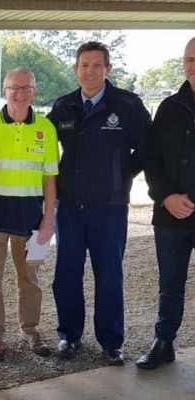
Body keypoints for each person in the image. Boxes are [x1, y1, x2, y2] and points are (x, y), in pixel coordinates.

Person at [48, 41, 151, 365]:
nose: (89, 71)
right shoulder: (63, 107)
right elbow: (46, 153)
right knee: (66, 274)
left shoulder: (128, 105)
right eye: (84, 65)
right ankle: (69, 336)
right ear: (76, 69)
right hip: (70, 207)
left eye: (96, 65)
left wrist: (121, 176)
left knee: (109, 275)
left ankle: (111, 342)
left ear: (108, 69)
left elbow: (147, 150)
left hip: (109, 208)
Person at [0, 68, 58, 361]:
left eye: (25, 87)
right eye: (13, 88)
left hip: (32, 220)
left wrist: (49, 218)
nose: (19, 93)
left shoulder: (46, 128)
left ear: (34, 90)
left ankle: (31, 329)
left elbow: (50, 178)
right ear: (4, 91)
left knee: (31, 279)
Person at [137, 37, 195, 370]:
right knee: (170, 284)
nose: (192, 66)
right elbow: (151, 157)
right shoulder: (170, 107)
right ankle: (164, 342)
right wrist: (166, 196)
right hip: (170, 215)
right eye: (188, 59)